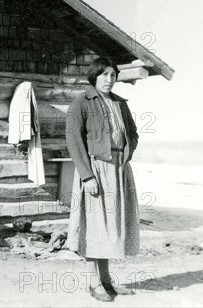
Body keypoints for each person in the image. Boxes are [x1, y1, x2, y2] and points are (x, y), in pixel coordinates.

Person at [65, 57, 140, 302]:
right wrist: (87, 175)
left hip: (118, 171)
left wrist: (125, 155)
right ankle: (94, 283)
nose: (109, 79)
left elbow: (133, 133)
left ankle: (107, 282)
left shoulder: (120, 104)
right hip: (95, 171)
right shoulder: (81, 103)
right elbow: (74, 140)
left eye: (113, 75)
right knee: (95, 228)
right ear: (94, 76)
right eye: (104, 74)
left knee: (109, 229)